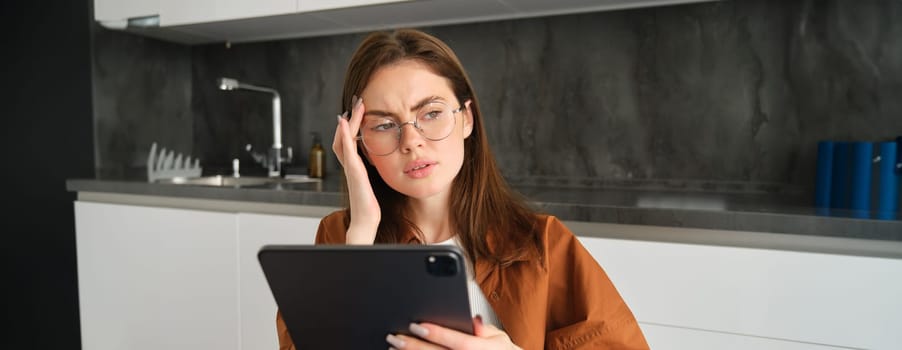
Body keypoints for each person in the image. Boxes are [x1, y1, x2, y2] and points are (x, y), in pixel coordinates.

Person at [275, 28, 649, 350]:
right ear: (359, 144)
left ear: (467, 118)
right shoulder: (339, 236)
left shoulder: (542, 244)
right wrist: (361, 232)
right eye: (385, 125)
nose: (411, 141)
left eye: (431, 113)